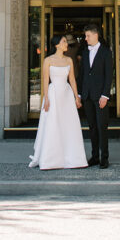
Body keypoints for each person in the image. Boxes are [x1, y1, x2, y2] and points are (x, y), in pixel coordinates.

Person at [28, 34, 88, 170]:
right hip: (53, 93)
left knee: (68, 124)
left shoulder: (69, 60)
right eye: (64, 41)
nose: (66, 44)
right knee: (53, 123)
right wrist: (46, 98)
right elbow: (45, 80)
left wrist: (76, 97)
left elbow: (72, 79)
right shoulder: (48, 60)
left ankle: (73, 158)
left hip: (66, 94)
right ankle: (51, 159)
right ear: (57, 45)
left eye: (66, 42)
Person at [78, 23, 113, 169]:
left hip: (100, 97)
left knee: (102, 127)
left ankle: (104, 158)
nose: (85, 39)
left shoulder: (106, 52)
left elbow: (109, 75)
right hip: (87, 96)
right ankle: (94, 156)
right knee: (92, 127)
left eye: (88, 36)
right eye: (85, 36)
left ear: (95, 35)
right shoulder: (85, 52)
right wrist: (79, 94)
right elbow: (82, 74)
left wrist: (105, 95)